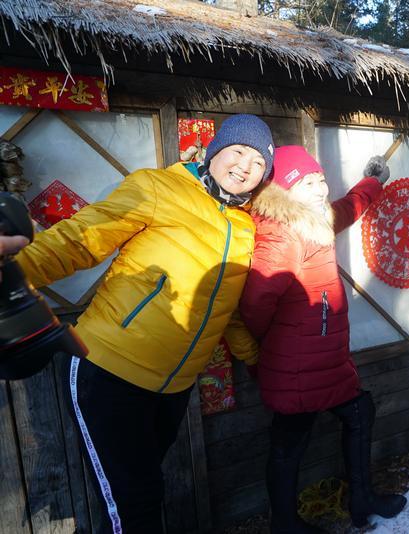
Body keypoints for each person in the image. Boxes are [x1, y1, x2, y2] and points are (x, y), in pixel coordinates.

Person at [13, 114, 274, 533]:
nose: (245, 165)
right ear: (215, 150)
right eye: (238, 151)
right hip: (109, 368)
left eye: (259, 162)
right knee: (134, 507)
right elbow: (80, 240)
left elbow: (228, 309)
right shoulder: (157, 187)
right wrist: (13, 271)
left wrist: (255, 359)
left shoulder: (243, 228)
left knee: (143, 492)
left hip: (172, 388)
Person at [239, 146, 406, 533]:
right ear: (284, 191)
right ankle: (286, 523)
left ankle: (358, 499)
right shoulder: (282, 234)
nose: (318, 189)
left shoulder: (313, 220)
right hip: (298, 364)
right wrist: (279, 341)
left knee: (355, 413)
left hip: (320, 362)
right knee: (290, 442)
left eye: (320, 180)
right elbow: (255, 303)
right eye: (306, 183)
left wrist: (373, 182)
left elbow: (348, 207)